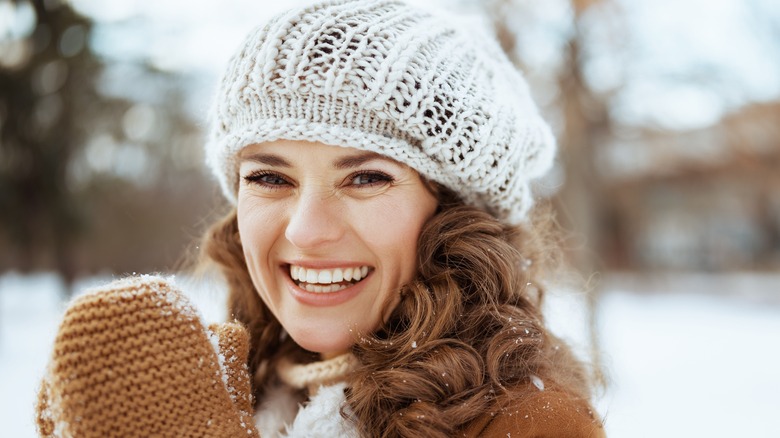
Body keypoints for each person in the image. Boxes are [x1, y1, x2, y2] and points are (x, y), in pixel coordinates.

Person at [35, 0, 605, 436]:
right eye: (269, 178)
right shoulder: (237, 385)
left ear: (455, 211)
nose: (307, 230)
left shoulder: (530, 421)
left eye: (366, 178)